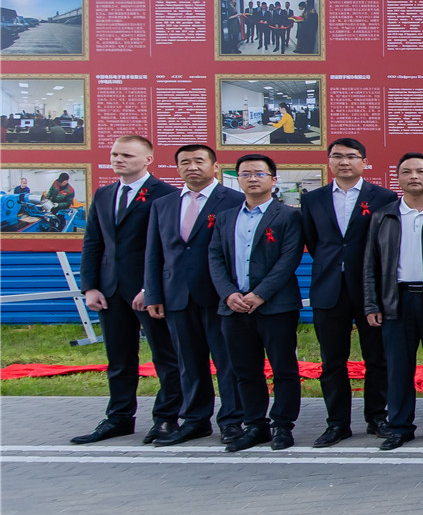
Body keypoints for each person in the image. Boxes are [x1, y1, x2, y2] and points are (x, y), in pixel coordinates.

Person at [72, 135, 183, 445]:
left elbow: (170, 247)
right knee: (119, 359)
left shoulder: (167, 195)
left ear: (148, 159)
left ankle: (166, 418)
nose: (118, 160)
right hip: (110, 290)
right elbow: (93, 242)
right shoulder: (104, 194)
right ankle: (119, 418)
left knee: (166, 358)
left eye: (127, 155)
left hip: (150, 292)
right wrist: (90, 287)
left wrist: (152, 287)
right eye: (115, 154)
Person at [142, 144, 246, 446]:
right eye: (185, 162)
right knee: (188, 362)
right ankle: (195, 421)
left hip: (220, 295)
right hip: (176, 295)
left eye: (199, 161)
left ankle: (232, 420)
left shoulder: (234, 200)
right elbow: (154, 252)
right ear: (177, 168)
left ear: (215, 166)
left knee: (228, 361)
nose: (192, 167)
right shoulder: (164, 204)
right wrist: (153, 293)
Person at [300, 138, 398, 446]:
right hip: (328, 289)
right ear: (329, 161)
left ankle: (377, 417)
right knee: (332, 360)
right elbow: (314, 241)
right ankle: (337, 423)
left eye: (351, 156)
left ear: (364, 162)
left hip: (369, 290)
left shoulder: (383, 197)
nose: (344, 162)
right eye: (337, 156)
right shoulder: (312, 199)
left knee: (377, 357)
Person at [208, 154, 306, 452]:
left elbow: (289, 258)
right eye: (245, 174)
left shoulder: (289, 216)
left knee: (283, 368)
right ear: (237, 179)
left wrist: (260, 294)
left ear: (273, 180)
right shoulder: (225, 217)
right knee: (245, 370)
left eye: (259, 174)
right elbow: (215, 257)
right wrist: (229, 293)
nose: (252, 179)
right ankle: (255, 425)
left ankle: (282, 425)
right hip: (234, 306)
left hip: (276, 306)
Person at [363, 152, 423, 451]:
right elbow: (370, 263)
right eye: (406, 172)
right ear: (398, 178)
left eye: (420, 171)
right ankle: (400, 426)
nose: (414, 176)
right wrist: (372, 304)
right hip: (396, 301)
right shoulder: (384, 215)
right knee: (397, 368)